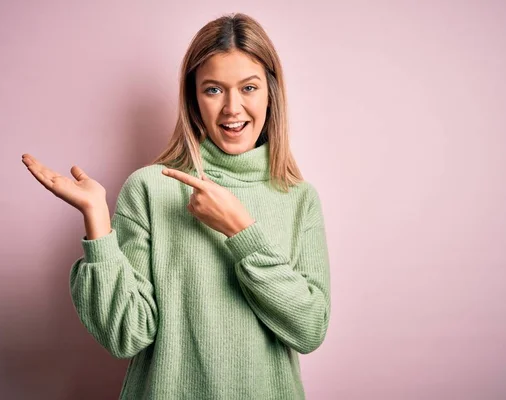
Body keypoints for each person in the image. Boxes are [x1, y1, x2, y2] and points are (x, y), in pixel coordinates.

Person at [22, 12, 331, 400]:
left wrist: (242, 232)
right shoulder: (150, 187)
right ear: (193, 98)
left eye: (248, 88)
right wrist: (97, 222)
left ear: (270, 92)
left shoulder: (299, 198)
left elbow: (310, 328)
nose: (233, 107)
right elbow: (127, 334)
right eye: (214, 90)